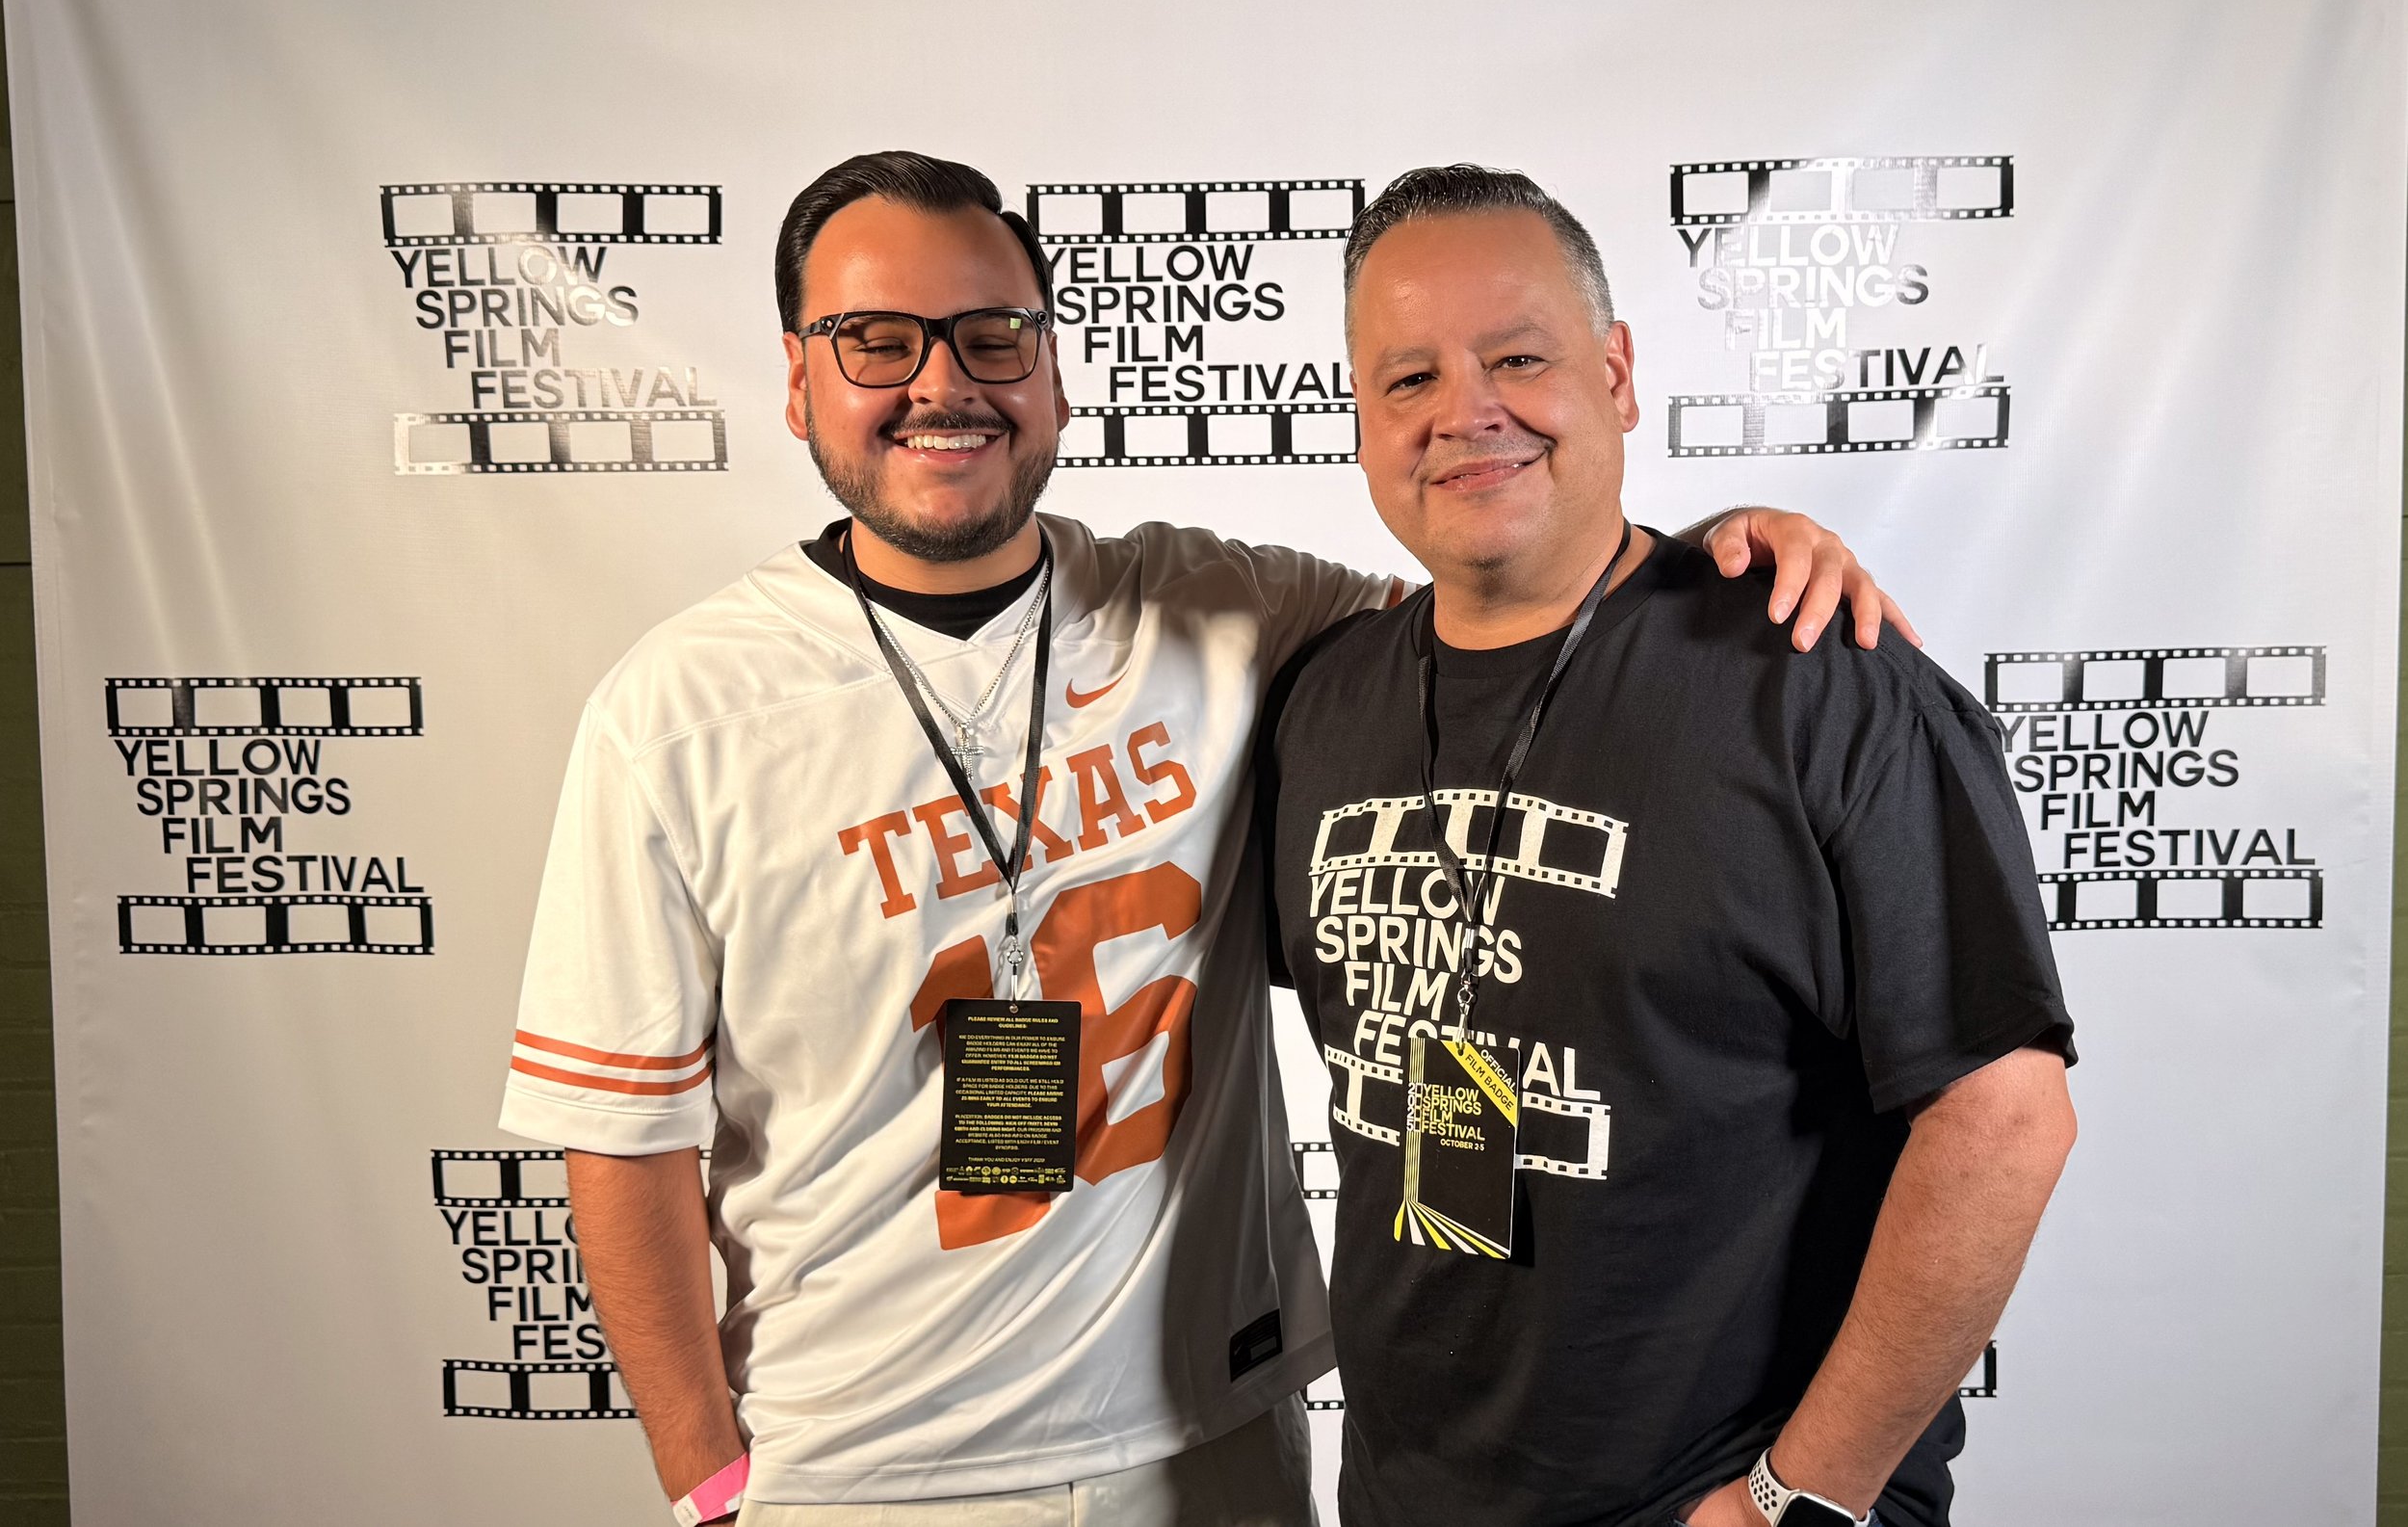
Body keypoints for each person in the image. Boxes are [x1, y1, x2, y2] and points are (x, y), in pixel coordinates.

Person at [497, 151, 1909, 1525]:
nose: (942, 384)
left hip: (1212, 1443)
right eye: (877, 341)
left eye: (991, 337)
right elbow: (622, 1139)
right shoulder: (676, 712)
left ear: (1053, 373)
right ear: (799, 380)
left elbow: (1526, 590)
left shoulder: (1226, 611)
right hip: (862, 1467)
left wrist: (1716, 560)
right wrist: (707, 1480)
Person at [1256, 165, 2078, 1527]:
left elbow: (2004, 1119)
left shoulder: (1819, 676)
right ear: (1360, 414)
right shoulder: (1322, 702)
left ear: (1619, 375)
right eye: (1408, 378)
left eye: (1520, 358)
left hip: (1725, 1501)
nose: (1466, 410)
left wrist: (1790, 1500)